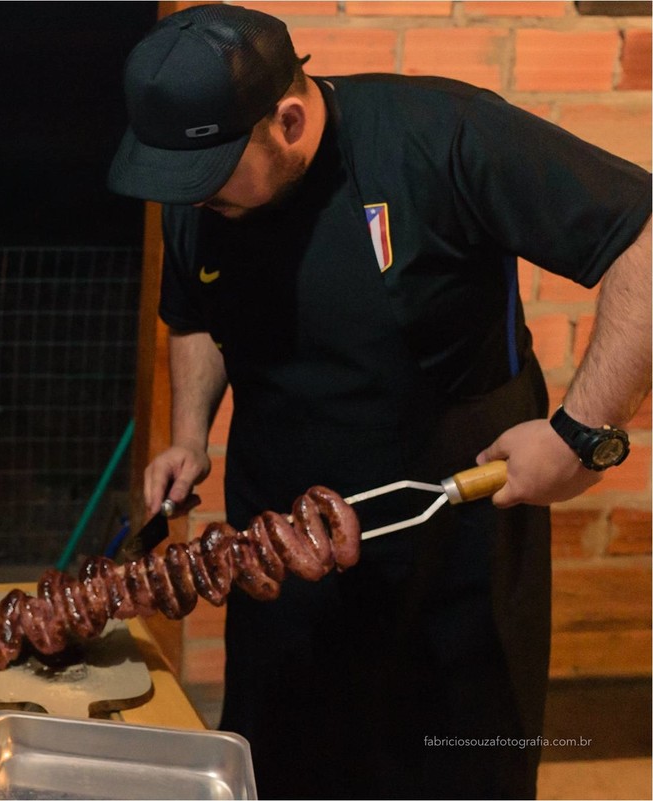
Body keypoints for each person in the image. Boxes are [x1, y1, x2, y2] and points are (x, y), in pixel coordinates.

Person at [107, 5, 651, 799]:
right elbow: (195, 318)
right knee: (287, 770)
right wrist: (190, 435)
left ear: (287, 121)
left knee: (462, 775)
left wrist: (580, 434)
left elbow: (644, 234)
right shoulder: (198, 191)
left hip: (453, 549)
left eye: (212, 180)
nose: (192, 203)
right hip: (283, 551)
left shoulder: (440, 133)